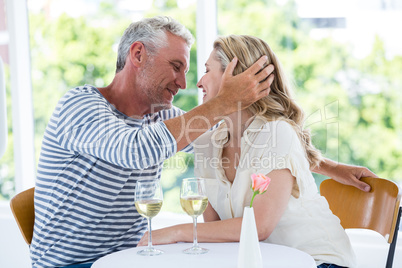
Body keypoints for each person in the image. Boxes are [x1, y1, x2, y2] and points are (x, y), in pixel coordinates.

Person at [31, 16, 373, 267]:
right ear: (137, 55)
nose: (184, 82)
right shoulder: (80, 106)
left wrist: (325, 165)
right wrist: (224, 101)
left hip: (131, 258)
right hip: (73, 264)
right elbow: (134, 150)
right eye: (176, 66)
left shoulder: (162, 120)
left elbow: (252, 141)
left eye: (192, 70)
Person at [138, 35, 376, 268]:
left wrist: (176, 232)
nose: (199, 82)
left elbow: (260, 226)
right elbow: (217, 235)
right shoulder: (206, 143)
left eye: (208, 70)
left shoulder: (278, 133)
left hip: (317, 261)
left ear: (238, 78)